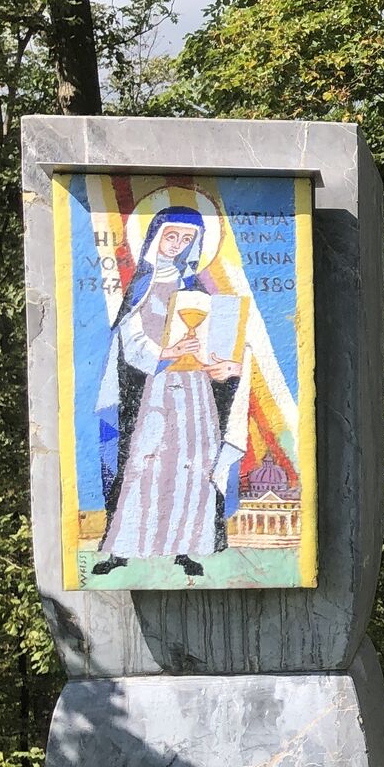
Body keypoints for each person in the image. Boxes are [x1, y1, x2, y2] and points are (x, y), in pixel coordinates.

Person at [91, 211, 246, 578]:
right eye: (171, 236)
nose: (177, 245)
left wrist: (219, 359)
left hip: (194, 389)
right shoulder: (142, 285)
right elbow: (130, 338)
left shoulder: (194, 287)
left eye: (186, 239)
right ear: (155, 236)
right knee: (145, 460)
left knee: (194, 463)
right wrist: (166, 352)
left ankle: (185, 547)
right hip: (154, 388)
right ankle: (122, 549)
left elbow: (213, 335)